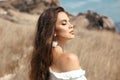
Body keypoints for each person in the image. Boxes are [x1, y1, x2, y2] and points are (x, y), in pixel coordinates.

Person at [30, 6, 87, 80]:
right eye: (64, 23)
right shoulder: (69, 59)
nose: (71, 26)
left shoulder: (41, 61)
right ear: (53, 31)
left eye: (69, 21)